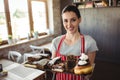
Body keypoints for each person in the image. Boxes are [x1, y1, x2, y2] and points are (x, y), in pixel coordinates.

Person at [51, 5, 98, 80]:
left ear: (79, 20)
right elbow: (53, 68)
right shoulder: (56, 42)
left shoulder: (89, 42)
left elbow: (88, 73)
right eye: (65, 21)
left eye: (73, 20)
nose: (69, 25)